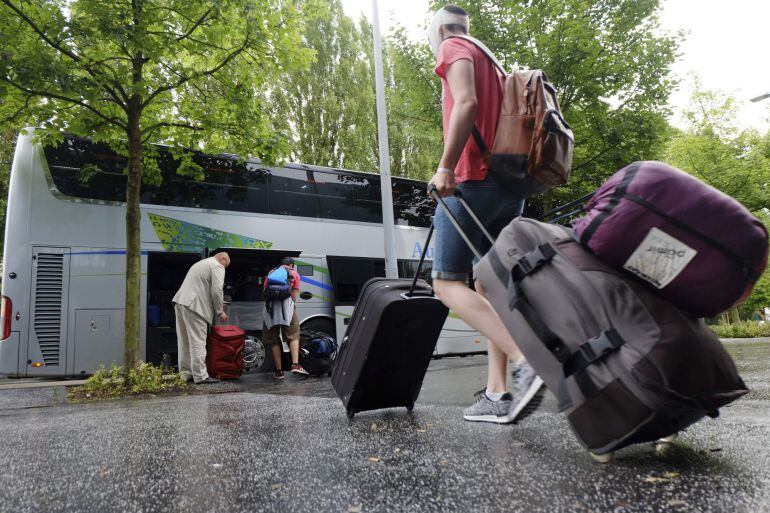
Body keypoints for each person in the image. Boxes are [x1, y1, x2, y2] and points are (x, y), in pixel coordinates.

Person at [427, 5, 545, 424]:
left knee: (445, 283)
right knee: (488, 282)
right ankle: (498, 394)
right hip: (508, 184)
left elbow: (467, 103)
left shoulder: (453, 46)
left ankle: (524, 361)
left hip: (471, 180)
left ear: (439, 30)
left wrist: (445, 167)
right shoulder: (491, 60)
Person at [172, 252, 231, 384]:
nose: (224, 268)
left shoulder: (200, 263)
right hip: (195, 306)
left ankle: (185, 373)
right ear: (223, 259)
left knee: (184, 341)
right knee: (198, 341)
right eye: (226, 265)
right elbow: (217, 290)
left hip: (181, 301)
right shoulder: (217, 266)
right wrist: (220, 311)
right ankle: (201, 375)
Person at [262, 257, 308, 379]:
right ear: (291, 265)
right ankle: (295, 365)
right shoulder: (294, 274)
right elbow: (293, 296)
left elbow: (264, 291)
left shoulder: (271, 273)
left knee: (273, 339)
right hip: (287, 308)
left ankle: (279, 371)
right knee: (293, 335)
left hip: (270, 309)